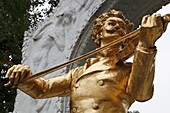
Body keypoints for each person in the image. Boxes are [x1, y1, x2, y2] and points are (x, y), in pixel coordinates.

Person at [5, 10, 169, 113]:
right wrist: (24, 77)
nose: (117, 28)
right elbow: (42, 89)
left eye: (122, 28)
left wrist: (146, 43)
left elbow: (142, 94)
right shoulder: (79, 72)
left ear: (125, 38)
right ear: (99, 33)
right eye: (111, 24)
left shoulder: (128, 69)